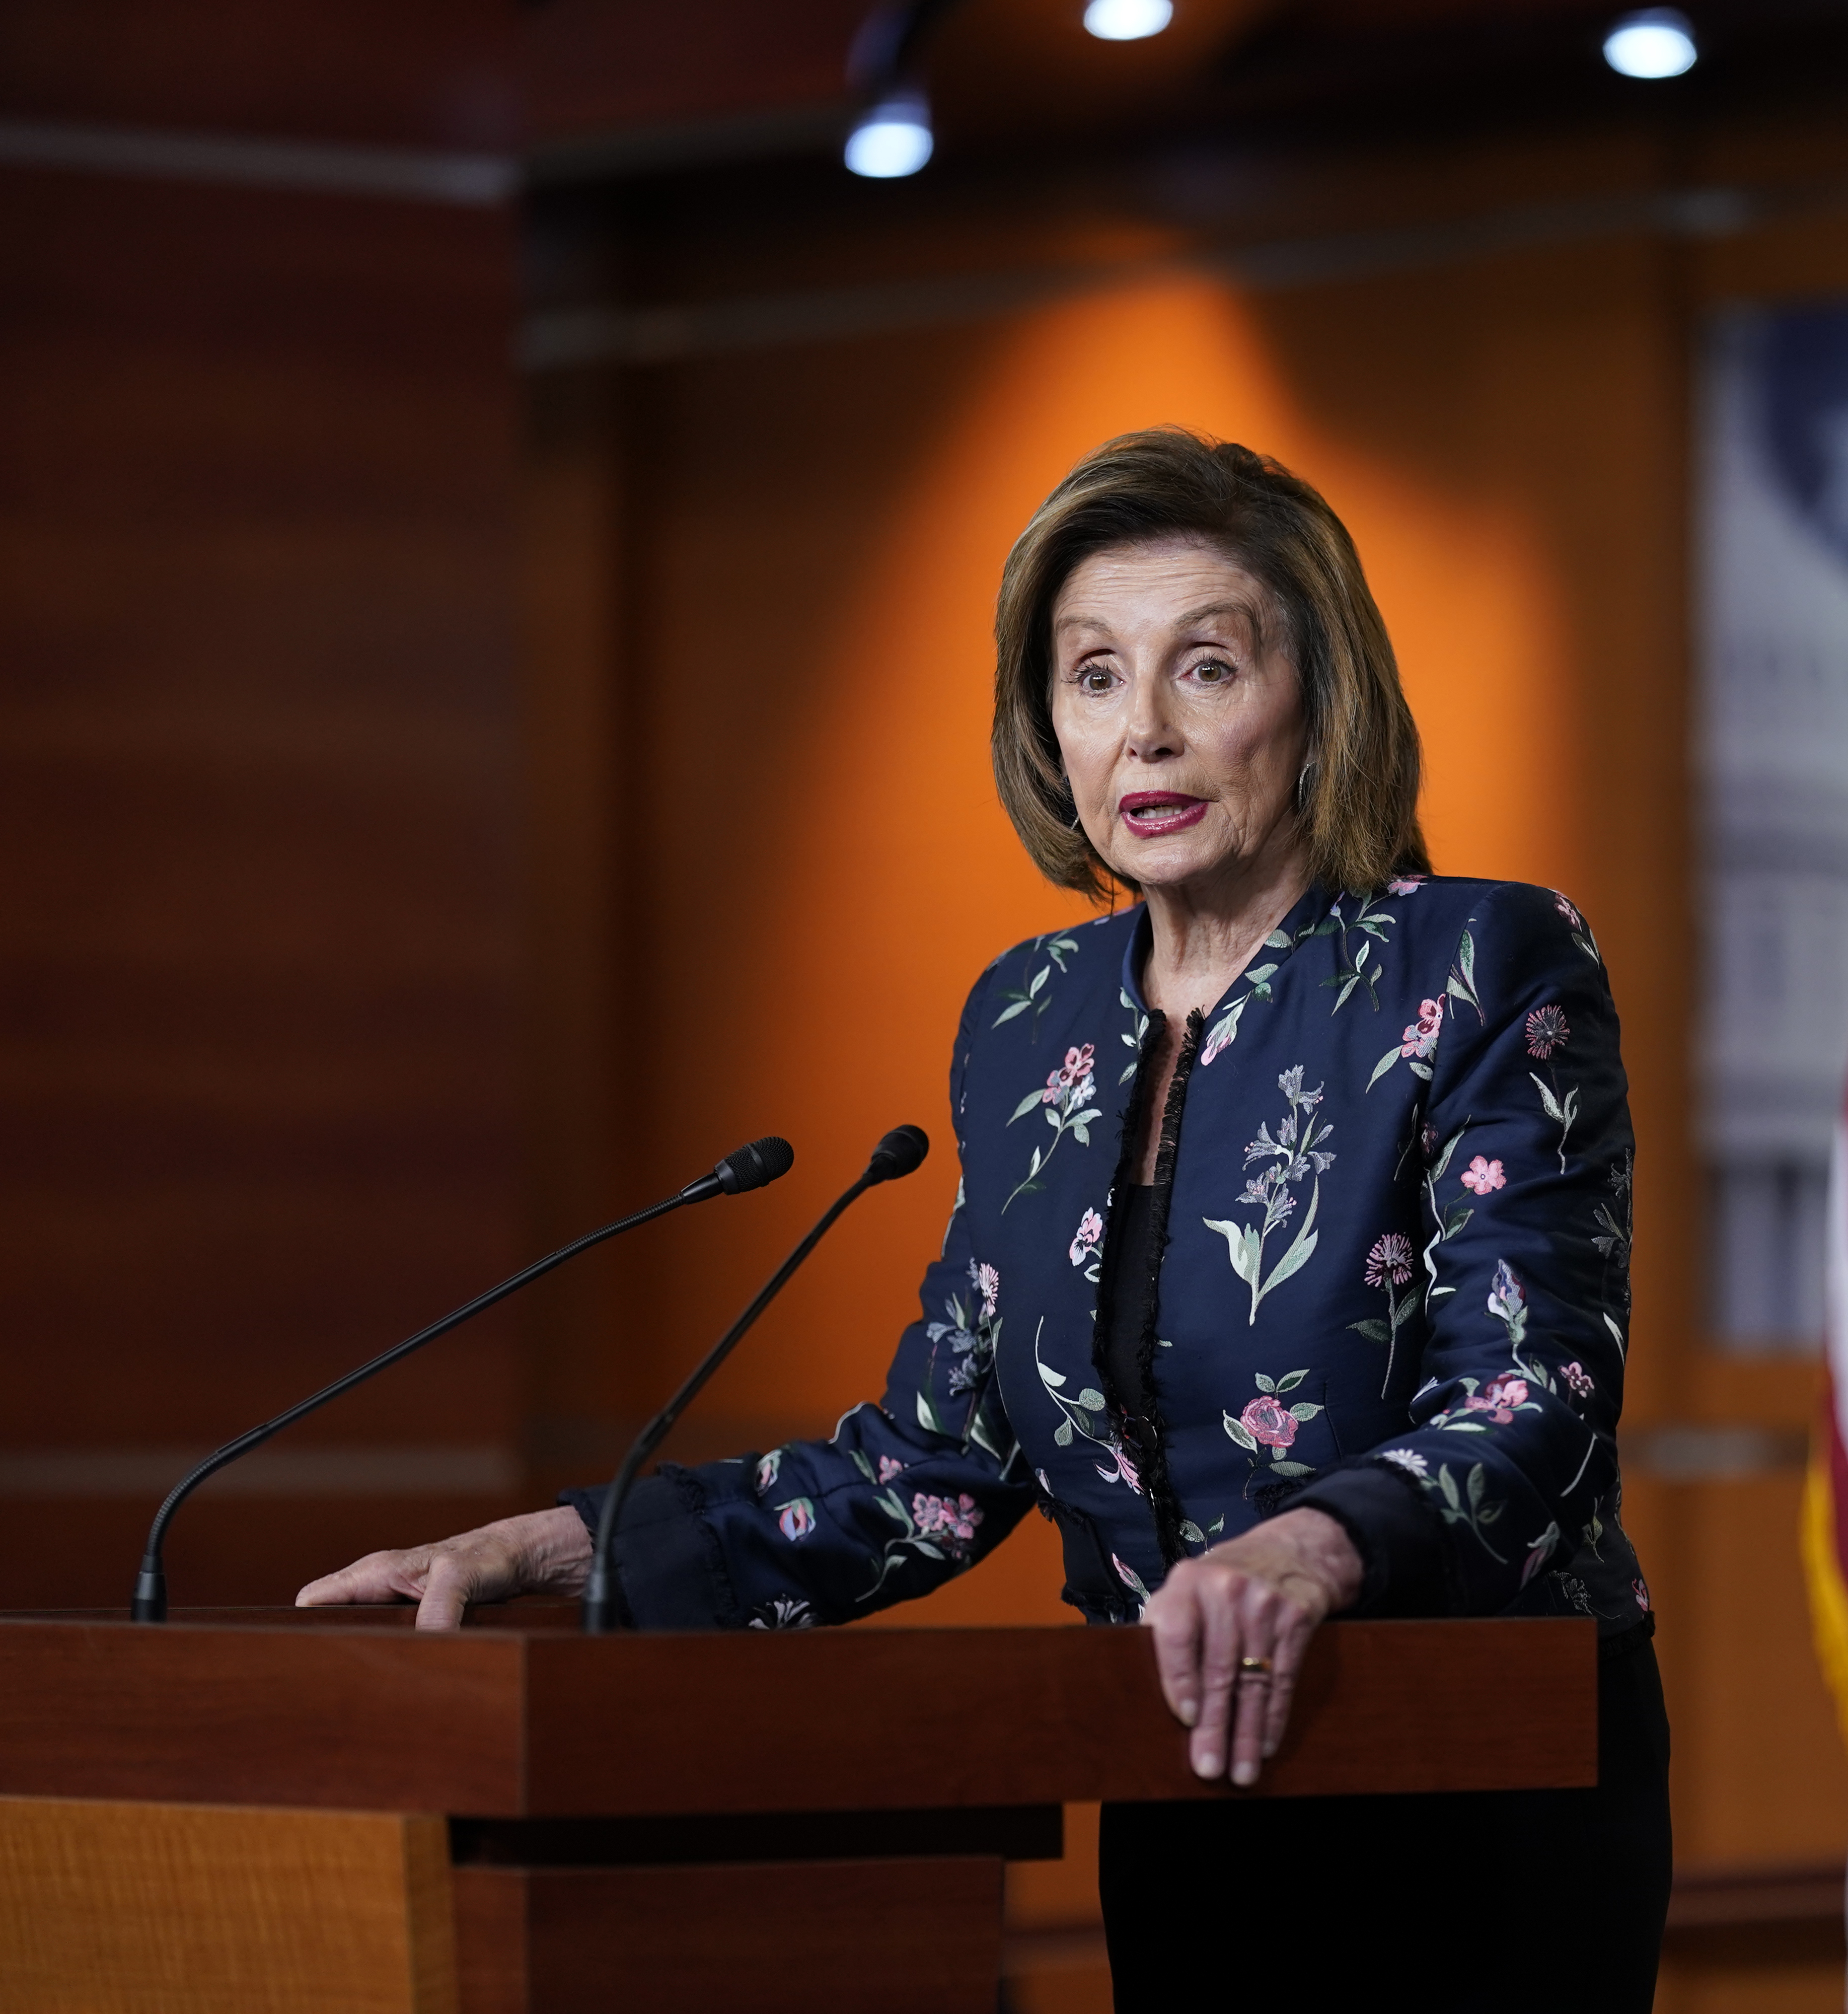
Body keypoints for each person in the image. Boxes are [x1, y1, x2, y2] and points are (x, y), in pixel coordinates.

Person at [300, 427, 1669, 2007]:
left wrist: (1312, 1548)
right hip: (1183, 1778)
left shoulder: (1478, 966)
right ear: (1047, 725)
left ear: (1322, 701)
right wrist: (566, 1542)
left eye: (1206, 669)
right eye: (1093, 677)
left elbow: (1535, 1400)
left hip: (1475, 1792)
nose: (1143, 732)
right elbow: (934, 1467)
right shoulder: (1033, 1017)